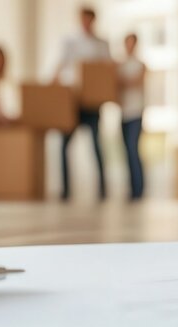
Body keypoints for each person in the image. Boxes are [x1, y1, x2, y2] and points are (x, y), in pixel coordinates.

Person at [52, 7, 112, 201]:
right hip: (72, 100)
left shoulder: (102, 44)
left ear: (94, 21)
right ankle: (65, 190)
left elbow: (107, 71)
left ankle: (103, 189)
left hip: (92, 103)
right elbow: (60, 65)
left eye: (89, 20)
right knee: (64, 145)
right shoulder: (70, 42)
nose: (86, 23)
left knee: (96, 145)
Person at [118, 34, 146, 201]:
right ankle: (131, 188)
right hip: (123, 113)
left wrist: (122, 81)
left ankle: (139, 189)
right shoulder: (120, 65)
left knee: (134, 149)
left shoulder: (140, 65)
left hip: (136, 112)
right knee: (126, 152)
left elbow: (136, 82)